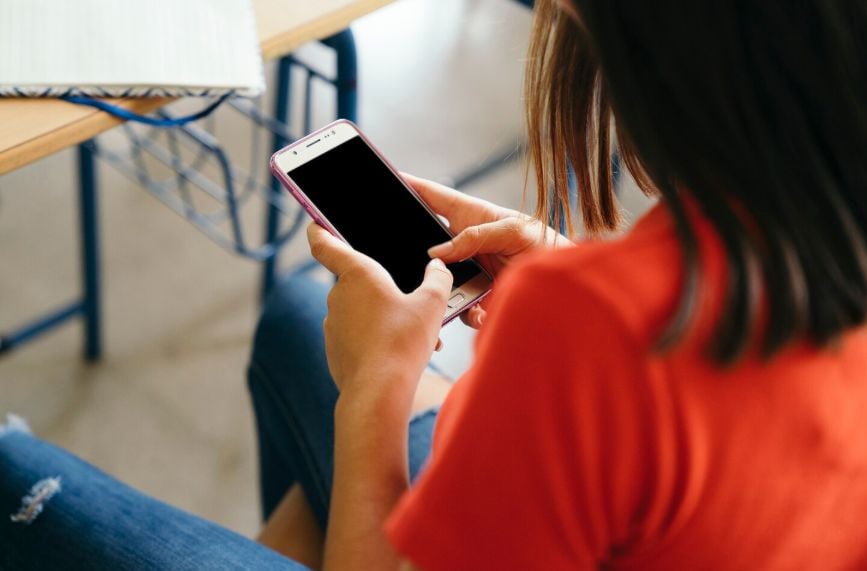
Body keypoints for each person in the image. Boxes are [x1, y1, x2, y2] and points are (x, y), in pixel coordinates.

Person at [3, 0, 867, 568]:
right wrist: (575, 278)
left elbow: (633, 372)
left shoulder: (589, 327)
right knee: (302, 311)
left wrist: (372, 387)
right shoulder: (807, 234)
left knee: (12, 467)